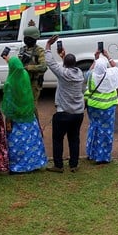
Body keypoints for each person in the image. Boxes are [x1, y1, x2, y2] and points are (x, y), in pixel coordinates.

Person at [44, 35, 85, 173]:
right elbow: (68, 68)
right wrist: (64, 56)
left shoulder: (62, 73)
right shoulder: (79, 73)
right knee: (74, 139)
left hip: (63, 113)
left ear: (65, 64)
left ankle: (58, 165)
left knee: (57, 139)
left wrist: (48, 45)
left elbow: (50, 62)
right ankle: (74, 165)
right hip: (78, 113)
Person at [1, 56, 48, 173]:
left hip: (16, 118)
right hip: (29, 115)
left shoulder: (9, 83)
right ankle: (33, 164)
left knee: (17, 143)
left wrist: (8, 121)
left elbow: (8, 104)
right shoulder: (25, 75)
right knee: (31, 141)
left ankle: (18, 166)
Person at [84, 51, 118, 164]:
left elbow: (89, 72)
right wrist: (108, 56)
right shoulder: (111, 74)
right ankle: (103, 156)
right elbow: (116, 67)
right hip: (108, 109)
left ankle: (91, 153)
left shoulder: (91, 76)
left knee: (94, 128)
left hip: (94, 107)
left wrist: (95, 59)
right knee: (106, 131)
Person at [20, 23, 47, 115]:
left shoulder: (39, 51)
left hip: (34, 82)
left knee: (32, 105)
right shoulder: (23, 49)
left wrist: (29, 68)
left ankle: (35, 124)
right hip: (23, 81)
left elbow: (43, 67)